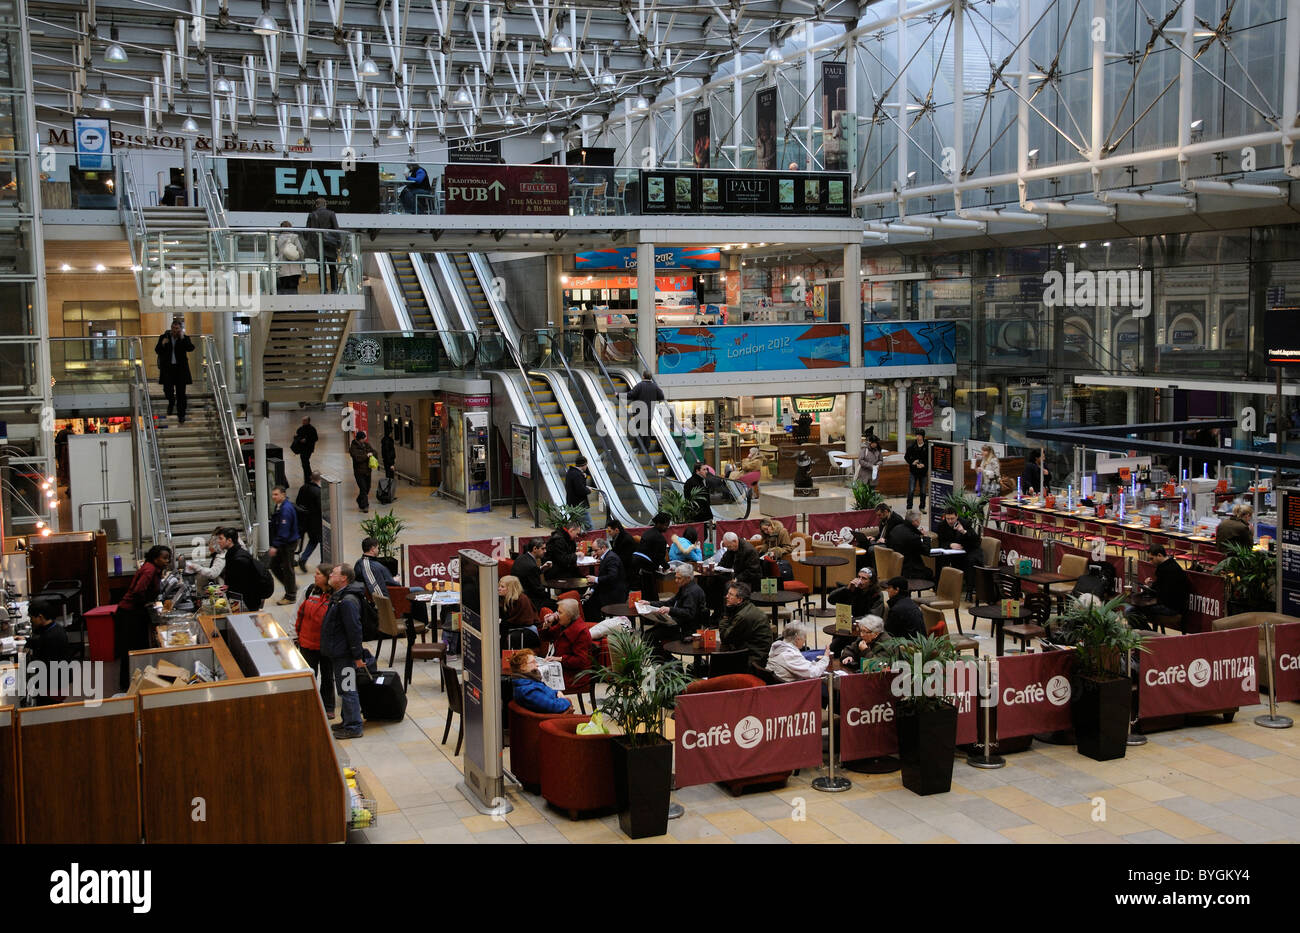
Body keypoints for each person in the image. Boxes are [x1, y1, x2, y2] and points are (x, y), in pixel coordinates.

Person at [115, 545, 172, 690]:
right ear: (155, 558)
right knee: (133, 649)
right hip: (130, 613)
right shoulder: (150, 570)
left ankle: (133, 681)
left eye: (168, 558)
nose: (167, 561)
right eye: (164, 558)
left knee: (132, 648)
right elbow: (138, 590)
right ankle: (130, 684)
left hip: (131, 611)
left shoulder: (151, 568)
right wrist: (146, 603)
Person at [321, 564, 367, 739]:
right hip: (339, 652)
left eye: (334, 573)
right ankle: (347, 720)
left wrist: (357, 656)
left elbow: (354, 630)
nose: (330, 575)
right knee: (343, 688)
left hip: (345, 655)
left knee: (348, 689)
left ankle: (354, 726)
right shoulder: (339, 597)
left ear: (343, 578)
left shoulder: (347, 601)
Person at [295, 565, 335, 719]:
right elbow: (299, 614)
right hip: (306, 643)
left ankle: (328, 707)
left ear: (326, 577)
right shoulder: (310, 591)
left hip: (325, 646)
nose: (315, 576)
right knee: (310, 677)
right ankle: (310, 704)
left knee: (327, 677)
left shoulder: (335, 595)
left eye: (318, 574)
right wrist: (295, 636)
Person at [646, 564, 708, 659]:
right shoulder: (685, 587)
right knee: (648, 634)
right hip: (678, 624)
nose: (676, 581)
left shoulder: (692, 592)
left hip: (686, 630)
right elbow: (670, 602)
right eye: (676, 578)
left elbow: (688, 613)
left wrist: (670, 610)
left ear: (688, 578)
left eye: (679, 578)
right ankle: (667, 661)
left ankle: (671, 662)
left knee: (648, 637)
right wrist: (649, 603)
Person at [1129, 545, 1190, 631]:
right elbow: (1162, 587)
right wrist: (1151, 586)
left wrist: (1150, 589)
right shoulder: (1169, 565)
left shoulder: (1168, 569)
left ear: (1159, 555)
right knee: (1133, 609)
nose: (1150, 562)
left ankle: (1150, 636)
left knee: (1131, 612)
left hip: (1171, 607)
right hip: (1168, 603)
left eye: (1151, 558)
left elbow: (1163, 593)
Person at [540, 598, 595, 690]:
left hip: (575, 676)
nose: (557, 615)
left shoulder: (581, 632)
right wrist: (546, 625)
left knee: (539, 684)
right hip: (561, 669)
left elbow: (580, 660)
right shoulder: (564, 624)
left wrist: (559, 659)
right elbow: (546, 637)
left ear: (569, 615)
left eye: (560, 612)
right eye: (557, 611)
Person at [717, 581, 773, 669]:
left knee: (718, 661)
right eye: (728, 593)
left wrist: (726, 615)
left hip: (754, 661)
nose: (727, 596)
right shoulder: (747, 607)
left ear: (739, 600)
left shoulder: (743, 616)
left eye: (731, 594)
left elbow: (725, 638)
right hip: (755, 653)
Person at [26, 595, 71, 705]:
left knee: (47, 712)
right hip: (56, 681)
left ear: (40, 617)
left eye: (32, 617)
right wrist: (27, 641)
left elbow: (46, 665)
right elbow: (41, 642)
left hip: (52, 685)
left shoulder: (51, 637)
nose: (31, 621)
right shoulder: (55, 628)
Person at [154, 318, 195, 423]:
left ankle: (181, 414)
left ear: (181, 329)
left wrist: (182, 338)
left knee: (181, 393)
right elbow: (157, 350)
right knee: (167, 390)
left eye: (177, 328)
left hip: (180, 370)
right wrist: (162, 343)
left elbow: (190, 348)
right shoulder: (164, 337)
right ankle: (171, 402)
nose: (174, 330)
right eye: (173, 328)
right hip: (168, 369)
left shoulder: (184, 338)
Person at [509, 649, 572, 714]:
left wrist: (557, 692)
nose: (537, 665)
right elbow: (553, 707)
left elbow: (547, 692)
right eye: (533, 662)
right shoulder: (528, 691)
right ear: (522, 667)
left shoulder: (529, 681)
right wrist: (566, 701)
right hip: (552, 719)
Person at [217, 528, 265, 611]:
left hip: (247, 602)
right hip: (239, 599)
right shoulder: (232, 554)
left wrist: (229, 587)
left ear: (229, 540)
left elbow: (246, 583)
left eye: (221, 539)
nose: (218, 541)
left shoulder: (240, 558)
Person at [766, 621, 831, 683]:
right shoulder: (790, 655)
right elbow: (814, 673)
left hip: (777, 685)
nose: (805, 640)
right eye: (804, 637)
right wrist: (825, 657)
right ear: (797, 639)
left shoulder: (778, 647)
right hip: (790, 689)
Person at [268, 485, 301, 605]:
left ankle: (291, 595)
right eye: (273, 494)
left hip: (287, 543)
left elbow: (284, 530)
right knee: (275, 566)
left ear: (283, 494)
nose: (274, 497)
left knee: (287, 569)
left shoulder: (286, 509)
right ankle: (291, 586)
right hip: (284, 542)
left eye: (276, 494)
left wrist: (275, 546)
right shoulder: (280, 506)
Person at [584, 537, 627, 622]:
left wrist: (595, 579)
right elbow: (603, 576)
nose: (594, 553)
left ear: (603, 548)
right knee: (587, 602)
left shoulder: (611, 558)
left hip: (614, 593)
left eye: (596, 550)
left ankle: (597, 625)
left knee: (589, 605)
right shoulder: (606, 556)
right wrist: (592, 590)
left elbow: (612, 577)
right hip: (607, 589)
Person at [305, 196, 341, 293]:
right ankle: (334, 289)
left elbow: (306, 231)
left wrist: (308, 242)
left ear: (316, 205)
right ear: (325, 204)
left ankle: (323, 289)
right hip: (330, 244)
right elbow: (336, 230)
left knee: (321, 267)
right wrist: (339, 244)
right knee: (332, 267)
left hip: (318, 246)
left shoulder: (311, 215)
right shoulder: (331, 213)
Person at [633, 512, 671, 597]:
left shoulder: (647, 532)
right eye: (666, 525)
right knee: (651, 596)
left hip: (637, 567)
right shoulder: (660, 539)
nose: (667, 527)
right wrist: (667, 567)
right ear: (658, 524)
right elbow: (659, 557)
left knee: (644, 594)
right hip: (647, 569)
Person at [887, 510, 931, 580]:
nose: (919, 522)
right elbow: (926, 551)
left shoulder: (896, 528)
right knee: (930, 572)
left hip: (895, 564)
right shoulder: (913, 537)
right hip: (909, 569)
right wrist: (926, 537)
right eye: (919, 520)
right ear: (915, 522)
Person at [499, 575, 540, 649]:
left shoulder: (521, 600)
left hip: (527, 630)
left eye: (502, 587)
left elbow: (520, 621)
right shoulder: (504, 599)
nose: (499, 589)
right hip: (516, 627)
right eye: (499, 586)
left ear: (510, 588)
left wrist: (501, 622)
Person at [935, 506, 981, 573]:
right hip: (951, 551)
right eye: (948, 519)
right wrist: (950, 545)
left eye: (952, 518)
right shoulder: (942, 525)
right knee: (940, 558)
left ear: (957, 517)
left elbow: (976, 541)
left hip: (966, 550)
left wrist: (963, 531)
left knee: (969, 561)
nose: (950, 521)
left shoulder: (965, 523)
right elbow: (941, 541)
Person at [514, 537, 555, 611]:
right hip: (530, 600)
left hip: (519, 595)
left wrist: (541, 569)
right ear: (535, 549)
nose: (545, 551)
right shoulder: (531, 566)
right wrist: (549, 596)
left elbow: (528, 575)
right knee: (556, 604)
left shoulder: (521, 558)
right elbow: (538, 590)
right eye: (543, 549)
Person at [625, 370, 664, 444]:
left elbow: (630, 395)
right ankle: (646, 448)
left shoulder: (640, 385)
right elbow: (661, 396)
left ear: (643, 376)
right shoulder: (655, 386)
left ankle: (639, 447)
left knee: (638, 430)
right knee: (647, 431)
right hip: (649, 414)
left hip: (639, 413)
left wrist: (618, 395)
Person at [295, 473, 323, 571]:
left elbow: (297, 502)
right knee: (322, 541)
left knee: (313, 540)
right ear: (320, 479)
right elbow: (321, 508)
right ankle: (323, 563)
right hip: (316, 522)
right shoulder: (318, 492)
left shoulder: (303, 488)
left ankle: (303, 558)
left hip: (304, 520)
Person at [349, 430, 377, 512]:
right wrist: (367, 455)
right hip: (359, 472)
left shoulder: (366, 444)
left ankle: (359, 499)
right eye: (363, 438)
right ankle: (365, 506)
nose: (364, 440)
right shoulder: (353, 448)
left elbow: (374, 452)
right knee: (363, 488)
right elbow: (358, 458)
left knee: (368, 488)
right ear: (359, 439)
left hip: (368, 471)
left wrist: (372, 454)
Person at [605, 519, 637, 588]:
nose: (609, 533)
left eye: (610, 531)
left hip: (627, 570)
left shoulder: (626, 540)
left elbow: (624, 559)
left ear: (616, 530)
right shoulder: (617, 537)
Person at [564, 457, 594, 528]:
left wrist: (584, 477)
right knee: (589, 527)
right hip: (579, 506)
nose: (586, 467)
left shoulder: (570, 472)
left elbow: (575, 486)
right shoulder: (577, 475)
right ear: (583, 465)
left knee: (576, 528)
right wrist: (589, 490)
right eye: (586, 465)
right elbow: (580, 490)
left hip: (571, 505)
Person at [275, 220, 303, 294]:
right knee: (294, 291)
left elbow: (275, 253)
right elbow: (301, 251)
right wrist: (303, 263)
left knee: (284, 291)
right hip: (295, 269)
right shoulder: (294, 237)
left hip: (282, 269)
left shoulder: (277, 238)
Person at [904, 432, 929, 512]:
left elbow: (930, 459)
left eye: (919, 436)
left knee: (923, 491)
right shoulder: (912, 446)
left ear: (923, 437)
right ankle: (909, 507)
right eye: (917, 435)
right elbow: (906, 457)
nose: (918, 437)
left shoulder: (927, 447)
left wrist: (924, 465)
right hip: (913, 471)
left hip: (923, 472)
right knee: (911, 490)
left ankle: (922, 507)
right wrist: (912, 462)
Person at [291, 416, 318, 483]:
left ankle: (308, 478)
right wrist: (299, 439)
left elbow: (315, 438)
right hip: (302, 449)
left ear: (308, 421)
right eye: (303, 420)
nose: (303, 422)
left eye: (304, 420)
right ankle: (309, 477)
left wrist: (306, 440)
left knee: (305, 463)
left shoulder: (312, 429)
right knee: (305, 463)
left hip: (308, 449)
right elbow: (297, 436)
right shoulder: (300, 429)